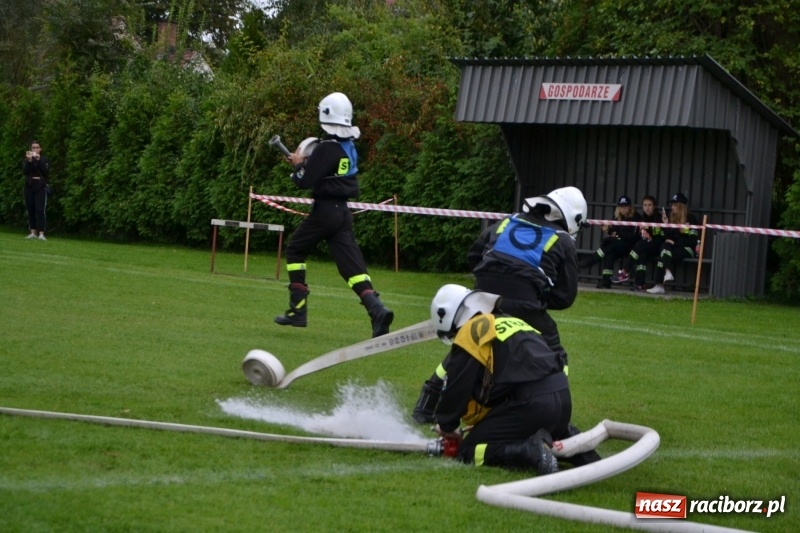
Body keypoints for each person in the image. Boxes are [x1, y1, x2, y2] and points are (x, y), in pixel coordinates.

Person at [413, 186, 589, 424]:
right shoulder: (563, 239)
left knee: (469, 343)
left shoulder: (508, 222)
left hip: (482, 295)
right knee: (556, 354)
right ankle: (558, 416)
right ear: (574, 218)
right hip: (524, 300)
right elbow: (565, 296)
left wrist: (486, 286)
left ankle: (427, 402)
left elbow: (474, 256)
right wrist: (537, 298)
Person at [426, 284, 599, 472]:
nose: (455, 338)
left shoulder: (472, 330)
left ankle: (529, 451)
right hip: (561, 402)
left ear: (449, 318)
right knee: (509, 431)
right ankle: (569, 442)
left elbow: (458, 384)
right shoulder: (509, 321)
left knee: (469, 450)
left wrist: (446, 424)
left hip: (532, 406)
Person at [274, 92, 393, 338]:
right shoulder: (348, 147)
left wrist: (298, 165)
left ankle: (298, 310)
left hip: (326, 212)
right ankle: (377, 310)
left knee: (295, 249)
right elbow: (326, 174)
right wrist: (304, 165)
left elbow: (303, 181)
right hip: (342, 213)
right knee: (352, 268)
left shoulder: (326, 148)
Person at [578, 195, 641, 288]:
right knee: (609, 252)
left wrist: (617, 233)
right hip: (619, 245)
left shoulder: (636, 217)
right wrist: (608, 229)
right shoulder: (617, 218)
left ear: (630, 207)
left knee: (610, 244)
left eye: (626, 206)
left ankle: (589, 262)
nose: (623, 209)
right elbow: (614, 232)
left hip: (631, 246)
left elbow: (633, 236)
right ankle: (606, 281)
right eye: (621, 207)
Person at [647, 193, 700, 294]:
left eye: (675, 205)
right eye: (672, 205)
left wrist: (676, 242)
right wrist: (666, 225)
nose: (672, 207)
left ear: (681, 206)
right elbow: (668, 238)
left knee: (663, 254)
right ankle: (667, 273)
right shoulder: (672, 219)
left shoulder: (691, 219)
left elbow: (693, 240)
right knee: (664, 247)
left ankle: (660, 284)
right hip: (674, 248)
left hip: (687, 249)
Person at [611, 195, 666, 291]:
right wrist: (642, 234)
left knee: (640, 245)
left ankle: (625, 271)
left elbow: (662, 238)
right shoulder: (642, 218)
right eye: (645, 205)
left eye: (649, 205)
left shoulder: (659, 218)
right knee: (642, 253)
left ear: (654, 206)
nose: (647, 208)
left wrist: (650, 237)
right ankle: (640, 284)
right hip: (645, 246)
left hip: (658, 246)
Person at [22, 140, 50, 241]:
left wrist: (38, 160)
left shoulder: (44, 159)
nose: (35, 149)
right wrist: (29, 161)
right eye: (33, 148)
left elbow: (46, 172)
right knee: (30, 209)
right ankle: (33, 231)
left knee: (40, 210)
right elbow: (25, 172)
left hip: (40, 187)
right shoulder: (27, 160)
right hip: (29, 186)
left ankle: (41, 233)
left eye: (37, 147)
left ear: (40, 149)